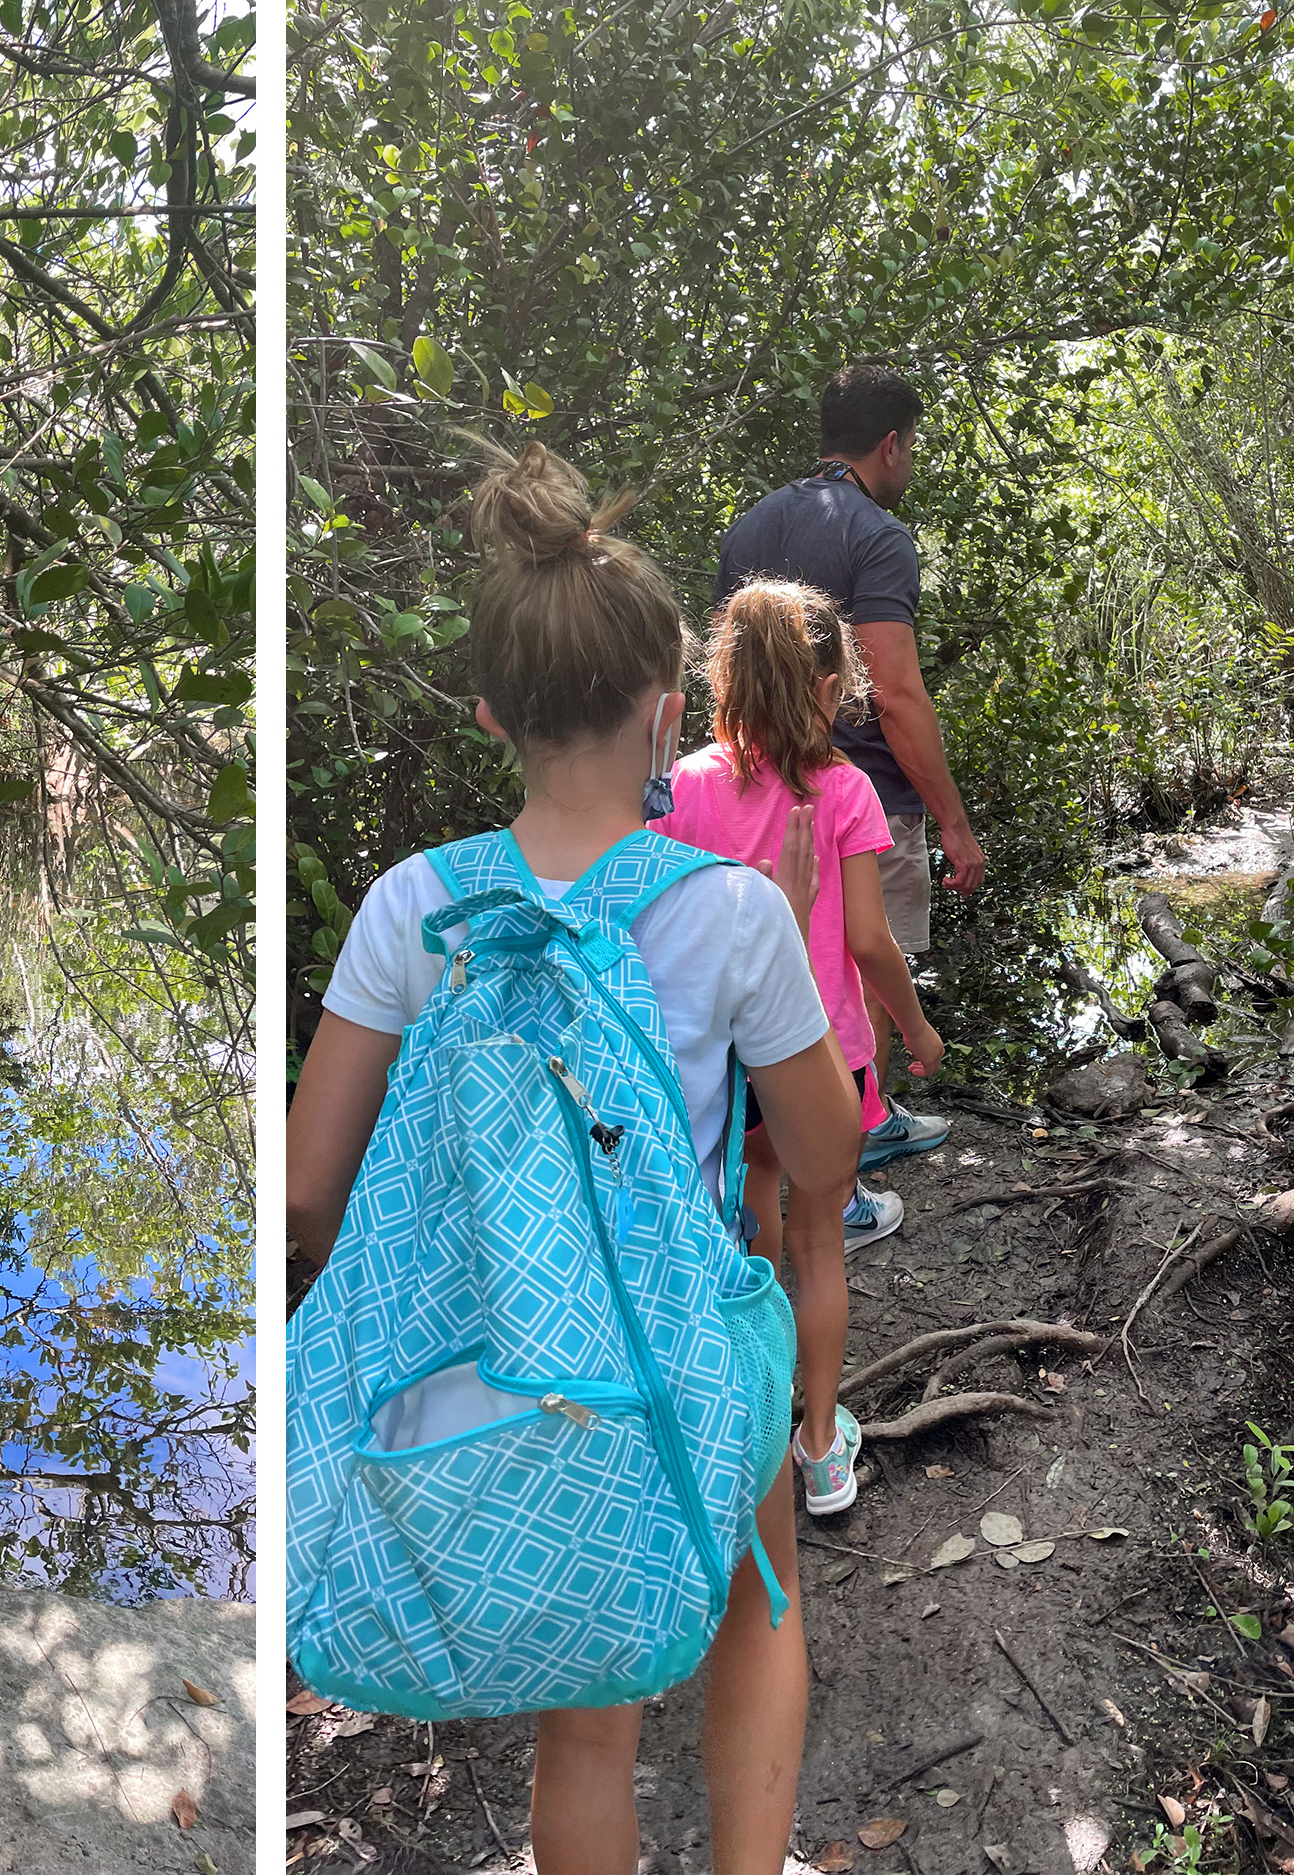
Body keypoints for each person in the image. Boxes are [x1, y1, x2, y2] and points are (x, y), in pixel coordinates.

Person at [288, 442, 861, 1874]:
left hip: (499, 1370)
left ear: (491, 711)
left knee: (586, 1712)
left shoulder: (412, 905)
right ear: (669, 706)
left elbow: (305, 1189)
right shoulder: (729, 910)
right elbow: (829, 1148)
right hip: (677, 1351)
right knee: (761, 1597)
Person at [651, 578, 952, 1517]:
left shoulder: (683, 787)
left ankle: (746, 1413)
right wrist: (914, 1025)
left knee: (750, 1210)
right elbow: (868, 941)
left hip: (719, 1056)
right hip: (822, 1051)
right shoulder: (846, 790)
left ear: (723, 681)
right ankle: (820, 1448)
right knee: (823, 1244)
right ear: (830, 686)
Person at [716, 364, 971, 1169]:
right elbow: (894, 692)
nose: (912, 464)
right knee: (864, 968)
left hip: (748, 781)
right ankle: (858, 1140)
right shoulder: (878, 536)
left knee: (777, 966)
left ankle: (772, 1148)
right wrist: (956, 828)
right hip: (859, 794)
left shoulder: (748, 529)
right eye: (914, 448)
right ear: (890, 445)